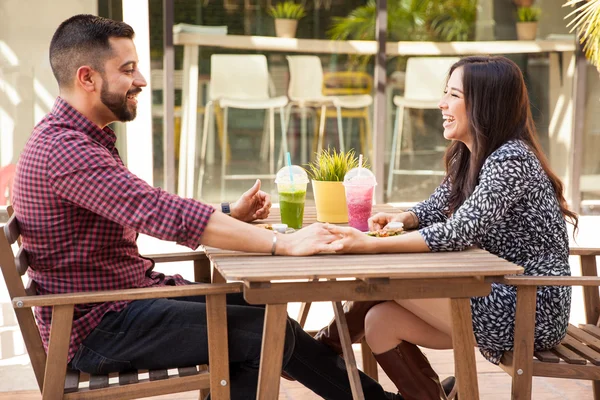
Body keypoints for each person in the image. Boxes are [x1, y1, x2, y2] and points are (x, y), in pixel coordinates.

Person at [11, 14, 403, 400]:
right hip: (101, 326)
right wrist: (282, 244)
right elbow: (160, 210)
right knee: (267, 332)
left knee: (266, 314)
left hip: (121, 303)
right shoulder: (66, 151)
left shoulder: (80, 139)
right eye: (128, 70)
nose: (141, 81)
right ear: (87, 77)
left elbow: (143, 207)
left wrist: (229, 214)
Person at [317, 56, 578, 400]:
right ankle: (326, 353)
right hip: (492, 291)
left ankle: (319, 351)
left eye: (453, 96)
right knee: (380, 322)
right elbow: (435, 207)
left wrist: (371, 245)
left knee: (390, 276)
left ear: (485, 105)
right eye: (446, 93)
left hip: (528, 304)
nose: (441, 103)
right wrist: (403, 220)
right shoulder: (470, 154)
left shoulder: (511, 159)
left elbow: (457, 232)